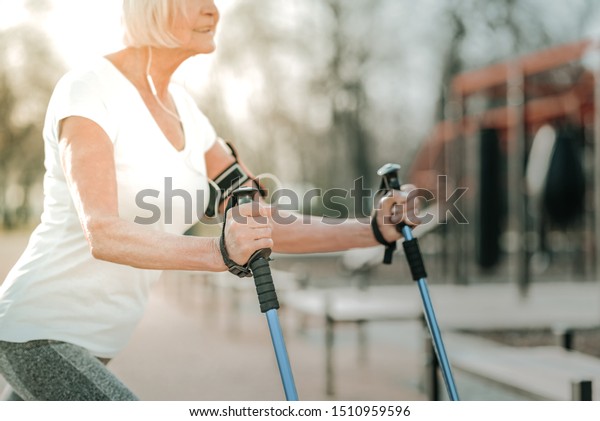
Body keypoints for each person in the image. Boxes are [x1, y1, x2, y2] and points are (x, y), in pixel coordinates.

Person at [0, 0, 417, 400]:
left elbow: (259, 222)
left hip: (99, 343)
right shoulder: (89, 89)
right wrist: (220, 252)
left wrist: (372, 230)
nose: (213, 10)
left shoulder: (187, 112)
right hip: (37, 331)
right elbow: (103, 232)